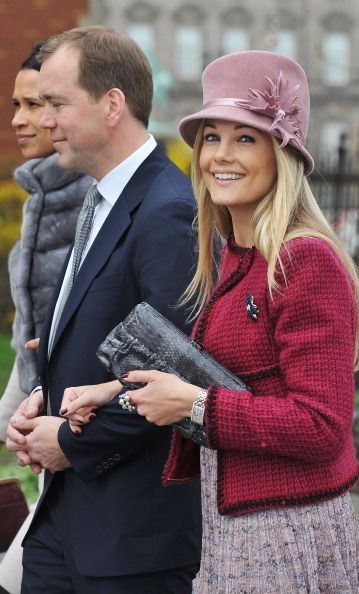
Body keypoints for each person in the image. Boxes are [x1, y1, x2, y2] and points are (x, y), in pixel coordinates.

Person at [61, 50, 359, 593]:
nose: (220, 156)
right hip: (230, 528)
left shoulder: (303, 260)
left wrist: (197, 407)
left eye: (246, 138)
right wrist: (116, 390)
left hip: (286, 530)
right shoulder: (232, 257)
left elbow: (323, 426)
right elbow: (219, 374)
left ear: (283, 154)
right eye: (211, 137)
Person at [6, 26, 201, 594]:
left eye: (58, 104)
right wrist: (42, 398)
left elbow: (177, 372)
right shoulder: (102, 197)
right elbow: (104, 339)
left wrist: (66, 444)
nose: (44, 122)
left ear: (112, 104)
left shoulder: (166, 210)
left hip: (129, 538)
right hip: (66, 525)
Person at [0, 42, 91, 594]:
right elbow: (30, 329)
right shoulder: (39, 192)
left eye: (35, 104)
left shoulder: (93, 195)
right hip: (38, 416)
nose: (21, 119)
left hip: (82, 426)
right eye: (16, 104)